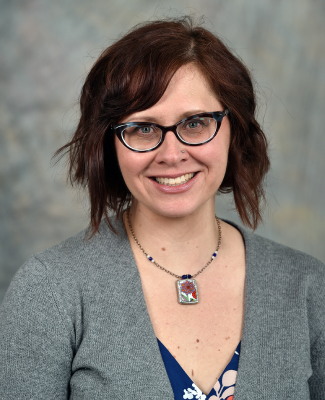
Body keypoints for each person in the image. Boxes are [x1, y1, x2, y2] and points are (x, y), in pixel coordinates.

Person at [0, 16, 324, 400]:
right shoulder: (50, 290)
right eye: (142, 128)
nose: (172, 155)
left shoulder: (309, 288)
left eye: (196, 123)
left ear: (233, 128)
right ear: (108, 144)